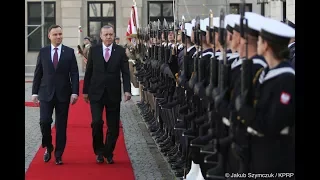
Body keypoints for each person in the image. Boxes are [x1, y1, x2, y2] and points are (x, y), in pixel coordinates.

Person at [236, 16, 295, 176]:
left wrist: (246, 113)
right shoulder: (264, 73)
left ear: (267, 45)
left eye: (260, 40)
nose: (257, 43)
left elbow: (272, 123)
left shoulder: (286, 78)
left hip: (275, 155)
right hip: (259, 151)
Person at [31, 24, 80, 165]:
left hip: (63, 94)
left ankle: (58, 154)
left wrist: (75, 92)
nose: (58, 37)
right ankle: (48, 146)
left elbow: (75, 74)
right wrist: (34, 92)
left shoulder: (69, 52)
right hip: (45, 93)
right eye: (55, 34)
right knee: (44, 121)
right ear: (49, 36)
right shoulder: (43, 51)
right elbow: (38, 73)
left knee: (61, 125)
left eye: (60, 34)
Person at [83, 25, 131, 164]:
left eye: (111, 34)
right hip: (96, 93)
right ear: (101, 36)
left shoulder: (120, 51)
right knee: (96, 122)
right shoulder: (94, 50)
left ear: (114, 35)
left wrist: (127, 90)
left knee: (114, 127)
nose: (109, 37)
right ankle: (99, 151)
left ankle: (108, 151)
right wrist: (85, 91)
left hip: (113, 93)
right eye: (106, 34)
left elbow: (125, 72)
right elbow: (89, 72)